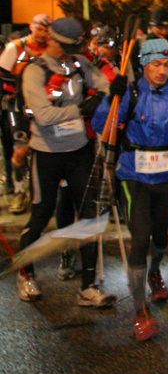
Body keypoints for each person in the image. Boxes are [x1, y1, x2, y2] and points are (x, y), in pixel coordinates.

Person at [92, 39, 168, 341]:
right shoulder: (131, 91)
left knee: (161, 235)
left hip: (166, 173)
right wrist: (110, 98)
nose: (162, 71)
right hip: (133, 174)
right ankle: (140, 311)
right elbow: (103, 125)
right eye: (156, 65)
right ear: (144, 65)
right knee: (140, 238)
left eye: (167, 65)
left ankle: (154, 271)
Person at [16, 17, 116, 308]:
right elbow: (44, 116)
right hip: (46, 153)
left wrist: (111, 88)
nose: (71, 52)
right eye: (67, 46)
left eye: (75, 47)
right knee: (41, 214)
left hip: (79, 151)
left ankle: (87, 286)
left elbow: (104, 85)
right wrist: (80, 109)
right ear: (52, 40)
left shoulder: (79, 63)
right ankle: (26, 274)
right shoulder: (34, 71)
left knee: (88, 216)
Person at [0, 13, 50, 213]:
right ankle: (19, 191)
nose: (42, 34)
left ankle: (44, 194)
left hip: (43, 105)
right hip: (17, 104)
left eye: (46, 31)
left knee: (45, 151)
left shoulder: (51, 48)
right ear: (31, 27)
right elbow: (2, 72)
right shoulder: (16, 47)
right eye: (39, 29)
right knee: (20, 149)